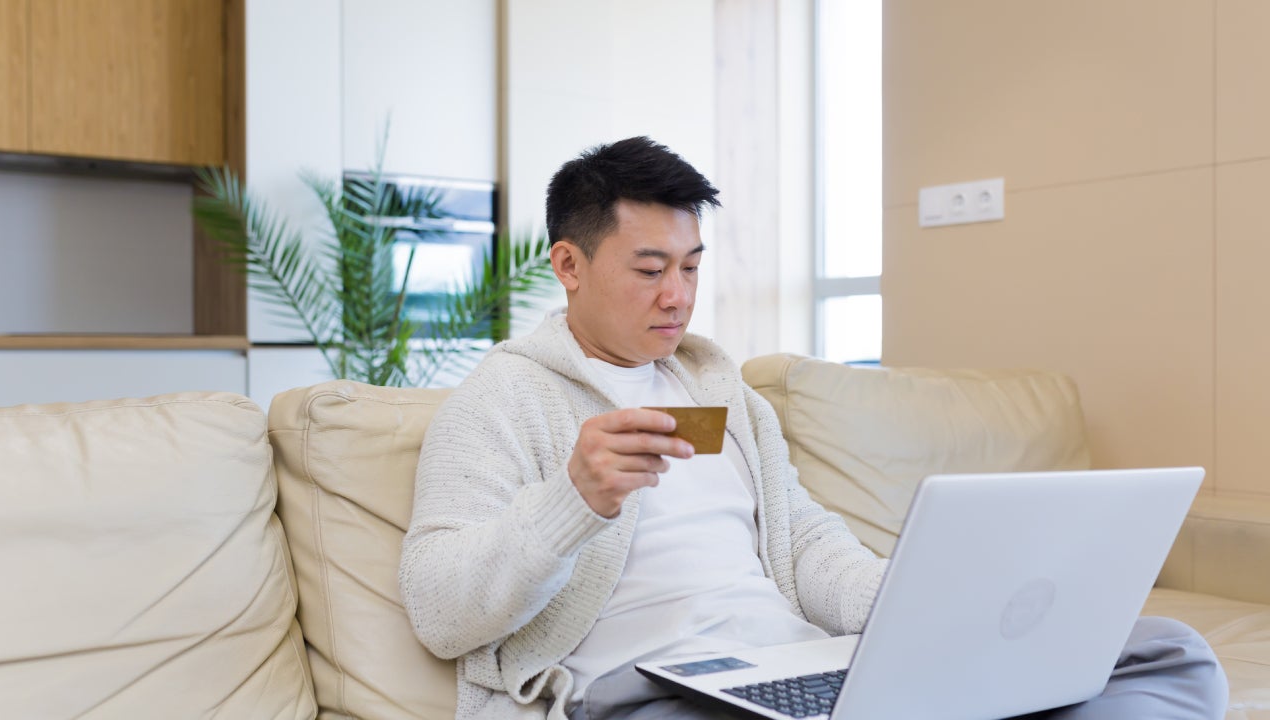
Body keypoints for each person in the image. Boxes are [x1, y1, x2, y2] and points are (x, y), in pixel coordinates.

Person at [399, 137, 1228, 720]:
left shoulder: (718, 388)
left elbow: (802, 546)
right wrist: (572, 501)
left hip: (791, 670)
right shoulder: (499, 401)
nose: (677, 296)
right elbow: (441, 611)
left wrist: (917, 611)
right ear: (569, 266)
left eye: (691, 268)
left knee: (1170, 655)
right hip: (647, 690)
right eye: (650, 270)